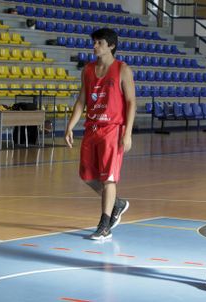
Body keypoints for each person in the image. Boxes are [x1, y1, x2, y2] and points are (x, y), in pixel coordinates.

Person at [65, 28, 136, 240]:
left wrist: (128, 132)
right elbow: (81, 101)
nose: (94, 46)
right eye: (94, 42)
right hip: (91, 128)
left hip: (113, 130)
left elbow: (132, 102)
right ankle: (117, 203)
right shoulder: (87, 70)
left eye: (99, 42)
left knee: (109, 179)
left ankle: (105, 225)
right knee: (87, 176)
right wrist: (70, 125)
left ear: (111, 46)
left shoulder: (123, 69)